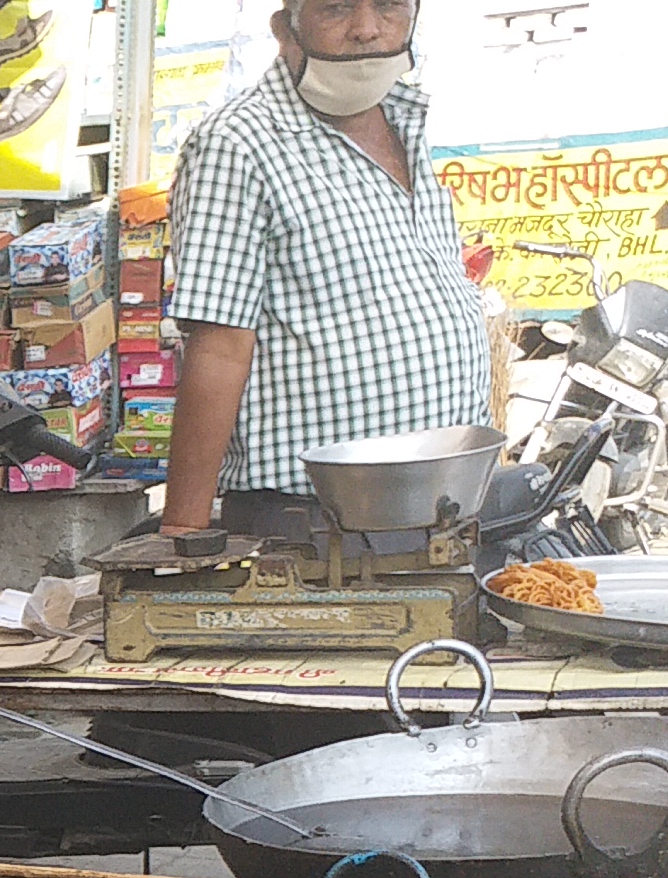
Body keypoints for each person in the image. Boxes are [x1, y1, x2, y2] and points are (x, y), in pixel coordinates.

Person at [162, 0, 487, 539]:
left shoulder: (403, 120)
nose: (366, 30)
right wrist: (184, 531)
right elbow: (217, 345)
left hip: (436, 509)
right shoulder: (239, 143)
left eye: (387, 6)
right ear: (284, 31)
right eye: (336, 9)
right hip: (315, 523)